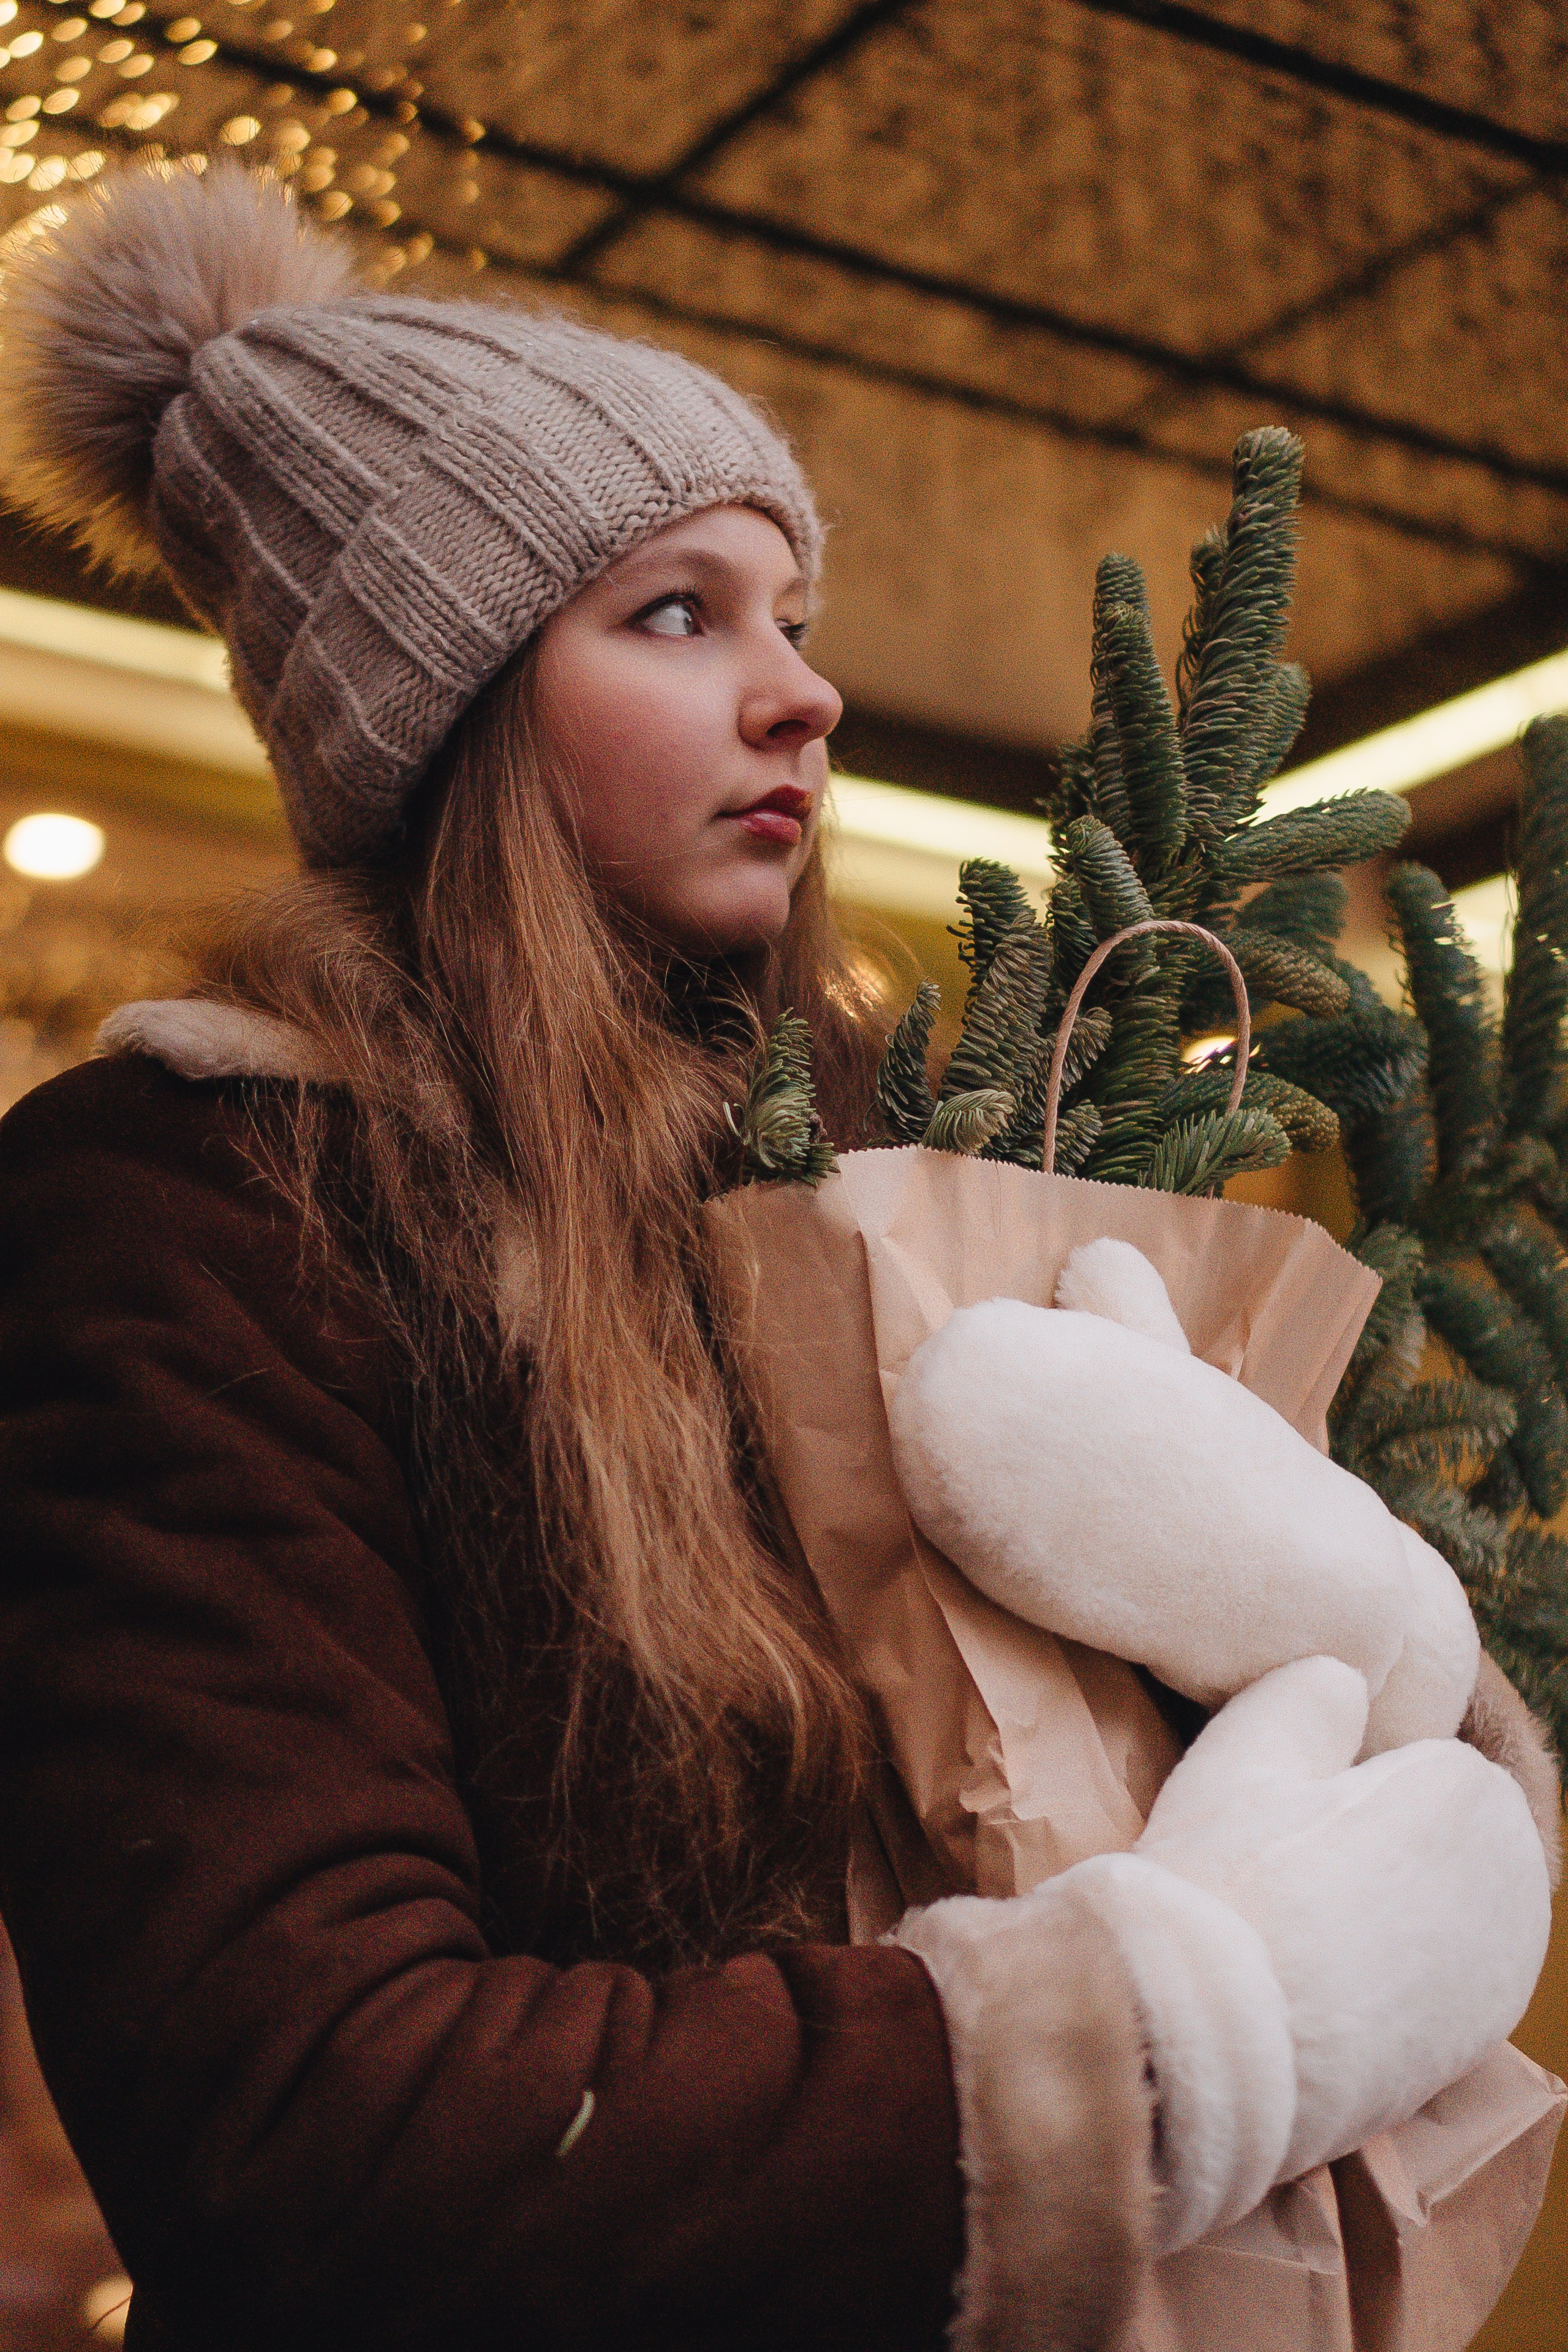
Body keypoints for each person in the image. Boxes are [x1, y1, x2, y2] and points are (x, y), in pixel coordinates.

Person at [0, 162, 1558, 2352]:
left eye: (794, 616)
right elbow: (307, 2124)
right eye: (674, 612)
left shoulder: (904, 1173)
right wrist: (1161, 2039)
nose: (805, 693)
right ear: (442, 714)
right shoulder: (197, 1209)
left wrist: (1341, 1621)